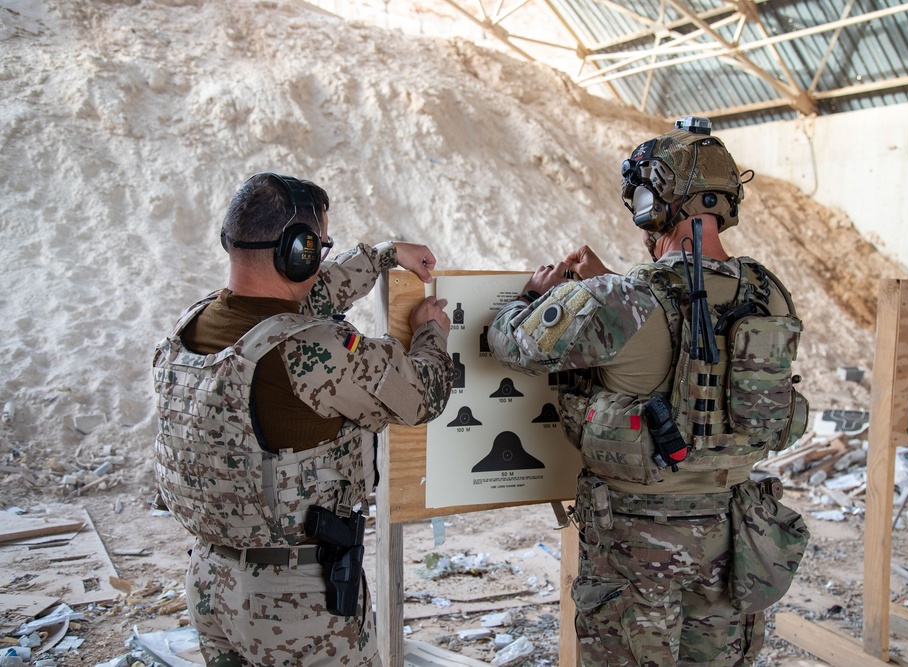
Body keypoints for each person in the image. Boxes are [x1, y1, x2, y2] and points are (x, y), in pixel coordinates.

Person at [488, 117, 809, 666]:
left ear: (651, 203)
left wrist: (529, 298)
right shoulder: (769, 293)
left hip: (636, 547)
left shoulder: (623, 299)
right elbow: (686, 342)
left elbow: (512, 342)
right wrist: (606, 285)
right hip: (733, 538)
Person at [152, 172, 453, 667]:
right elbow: (423, 394)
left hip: (212, 582)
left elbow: (300, 301)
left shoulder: (196, 325)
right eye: (320, 247)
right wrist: (430, 334)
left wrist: (382, 255)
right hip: (296, 604)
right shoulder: (315, 350)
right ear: (301, 252)